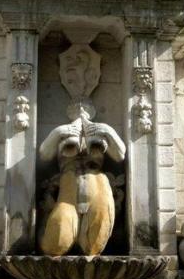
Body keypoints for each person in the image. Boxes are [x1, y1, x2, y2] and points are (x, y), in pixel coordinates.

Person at [39, 100, 125, 256]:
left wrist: (107, 130)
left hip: (98, 186)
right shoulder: (65, 133)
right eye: (76, 109)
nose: (80, 111)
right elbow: (44, 154)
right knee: (56, 245)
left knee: (93, 247)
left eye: (84, 109)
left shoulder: (98, 133)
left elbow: (120, 155)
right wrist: (58, 132)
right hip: (69, 190)